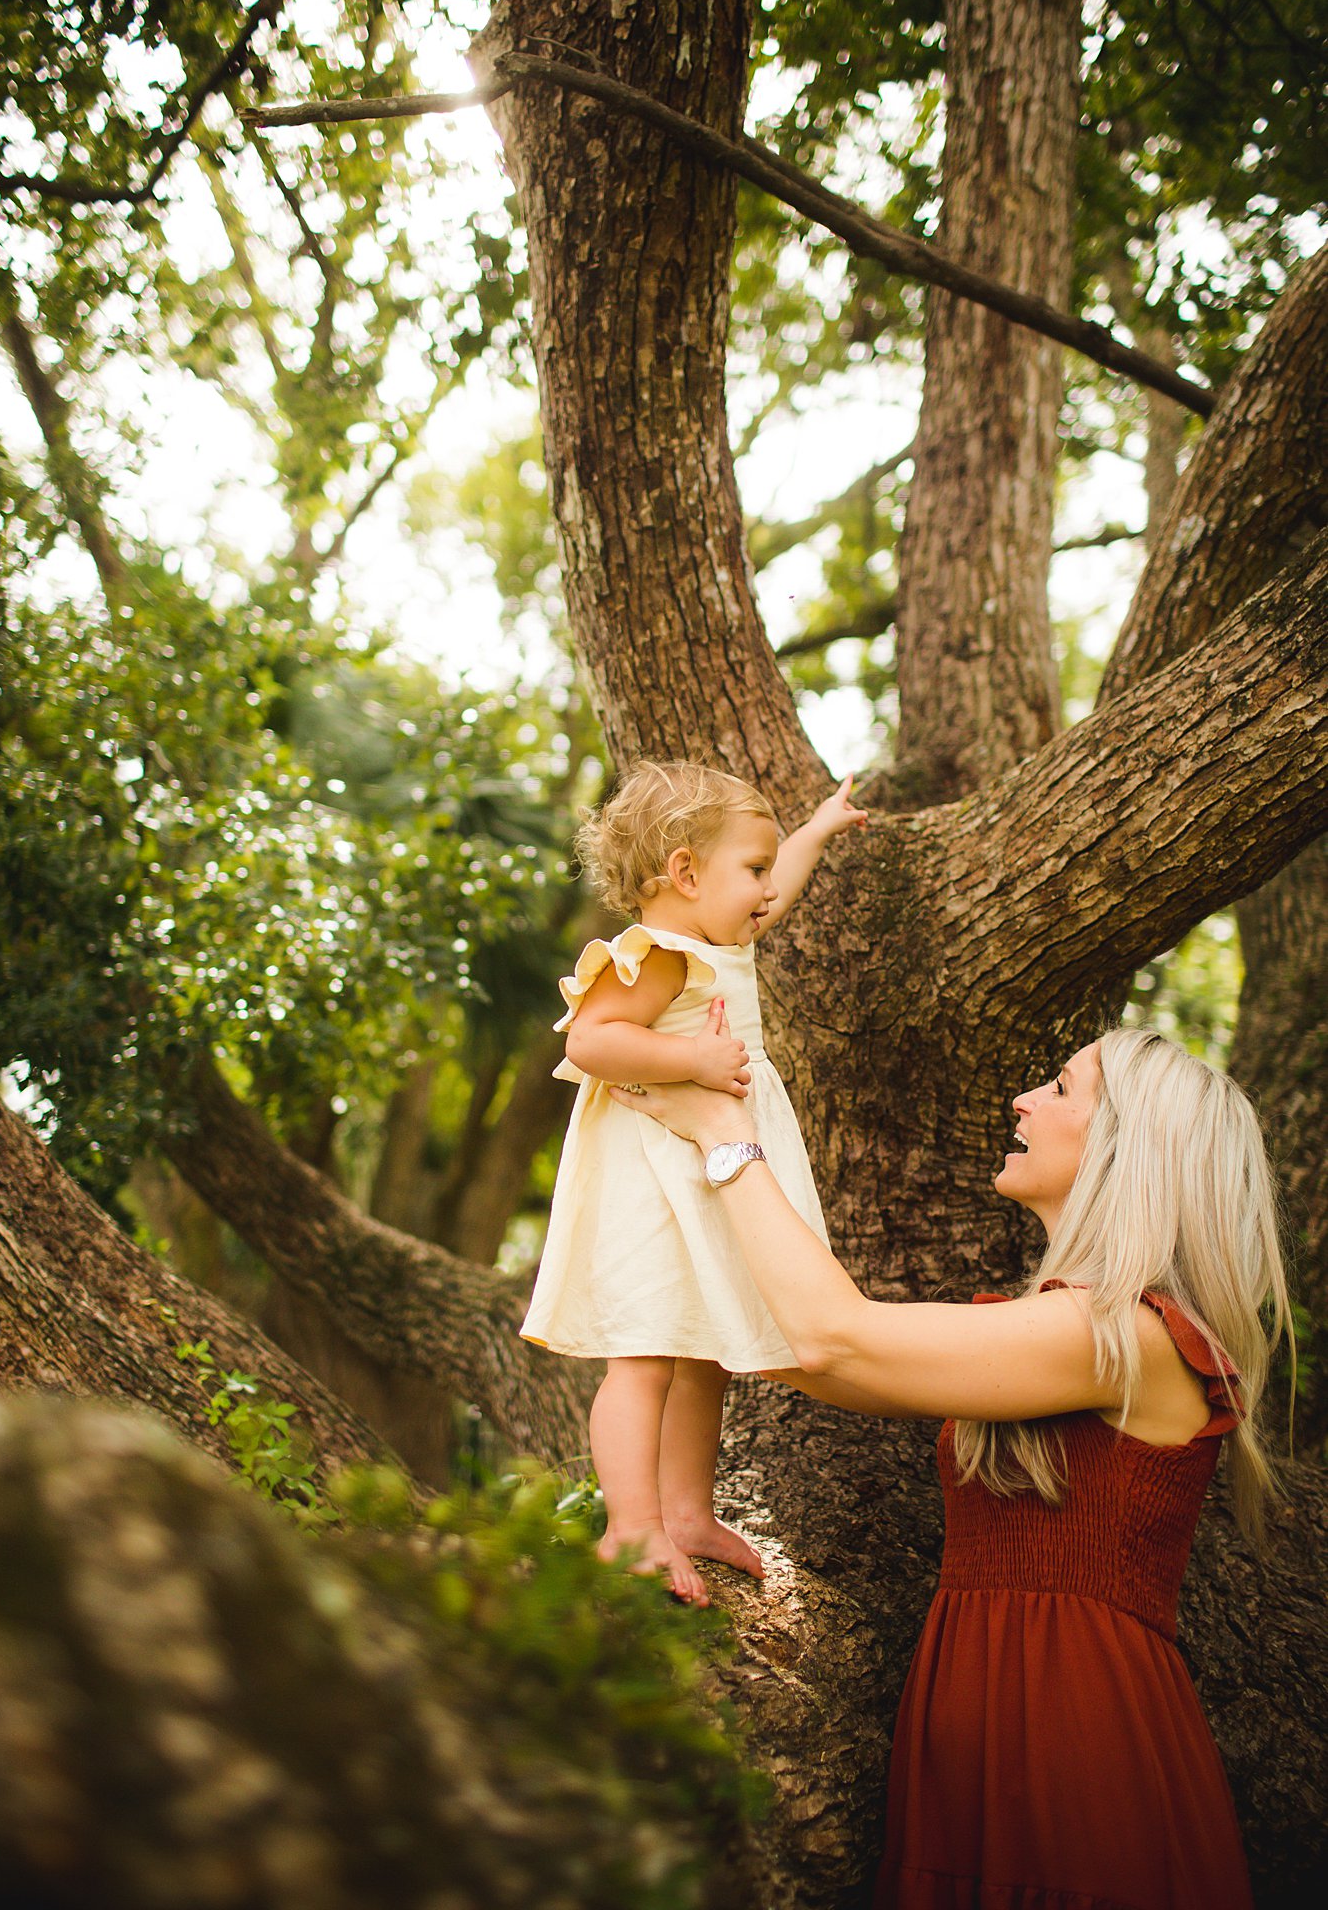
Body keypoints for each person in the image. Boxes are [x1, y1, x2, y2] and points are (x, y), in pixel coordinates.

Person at [611, 1017, 1290, 1909]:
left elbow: (829, 1341)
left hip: (1074, 1743)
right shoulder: (1068, 1330)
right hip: (981, 1719)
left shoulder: (1129, 1335)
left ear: (1129, 1150)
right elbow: (796, 1350)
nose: (1023, 1099)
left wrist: (723, 1137)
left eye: (1058, 1088)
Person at [521, 760, 868, 1602]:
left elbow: (774, 894)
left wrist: (817, 830)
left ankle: (686, 1515)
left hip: (700, 1175)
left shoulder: (714, 936)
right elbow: (590, 1043)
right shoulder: (658, 958)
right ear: (683, 874)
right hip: (648, 1178)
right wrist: (688, 1057)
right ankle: (630, 1526)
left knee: (702, 1353)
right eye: (751, 869)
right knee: (642, 1357)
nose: (765, 891)